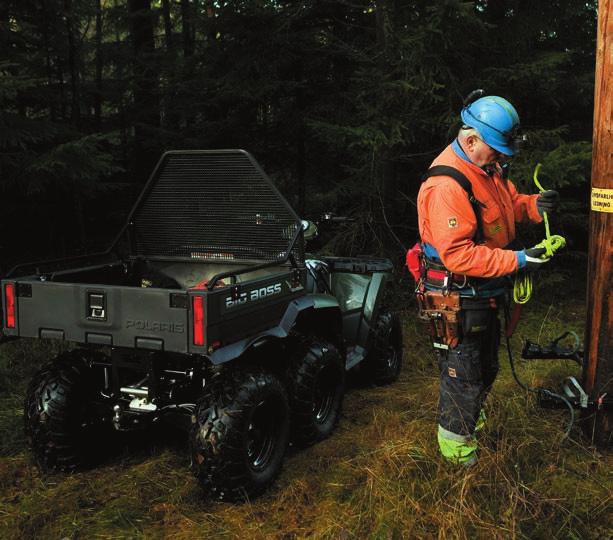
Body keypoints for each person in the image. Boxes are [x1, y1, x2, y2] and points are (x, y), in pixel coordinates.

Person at [415, 94, 560, 465]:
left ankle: (469, 429)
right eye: (495, 150)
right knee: (462, 376)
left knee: (483, 368)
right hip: (459, 297)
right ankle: (457, 460)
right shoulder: (447, 186)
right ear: (471, 139)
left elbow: (505, 206)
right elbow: (458, 255)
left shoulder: (487, 171)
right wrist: (519, 259)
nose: (502, 158)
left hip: (484, 293)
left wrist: (531, 206)